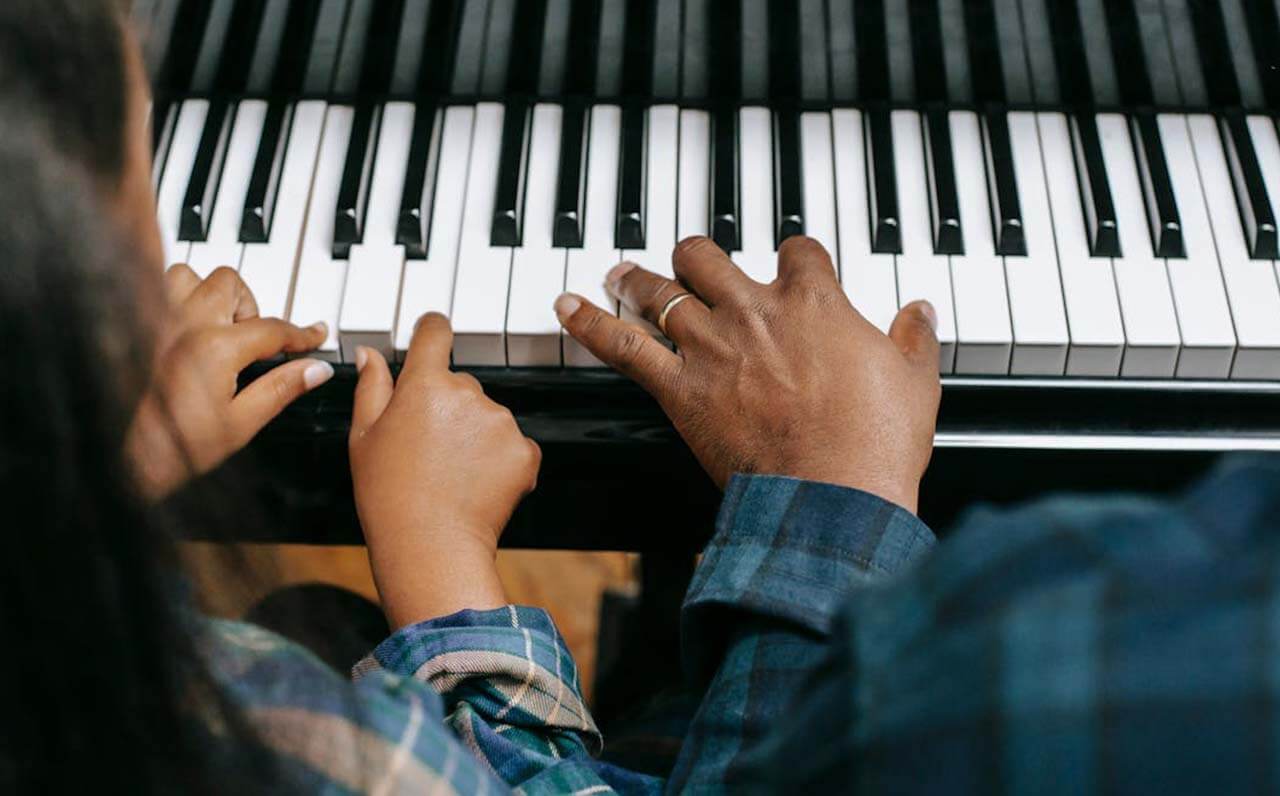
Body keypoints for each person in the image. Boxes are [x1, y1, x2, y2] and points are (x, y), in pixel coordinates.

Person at [5, 2, 1279, 794]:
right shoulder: (291, 753)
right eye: (139, 221)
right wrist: (445, 562)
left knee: (313, 609)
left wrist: (91, 481)